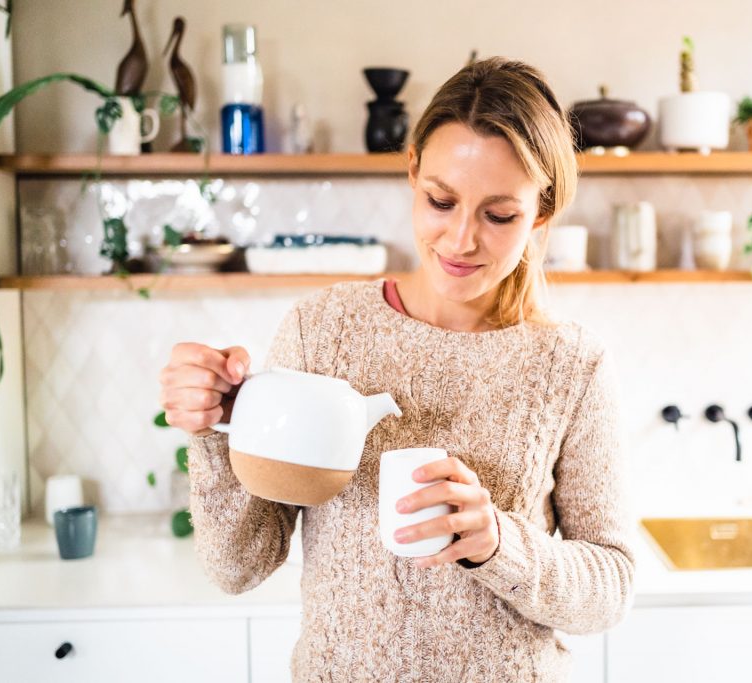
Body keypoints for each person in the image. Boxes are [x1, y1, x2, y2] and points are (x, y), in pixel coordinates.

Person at [158, 56, 636, 682]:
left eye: (499, 215)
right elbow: (238, 566)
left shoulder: (573, 364)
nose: (461, 239)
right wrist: (216, 432)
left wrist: (498, 543)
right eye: (441, 201)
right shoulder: (322, 330)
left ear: (541, 213)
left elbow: (611, 587)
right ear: (412, 173)